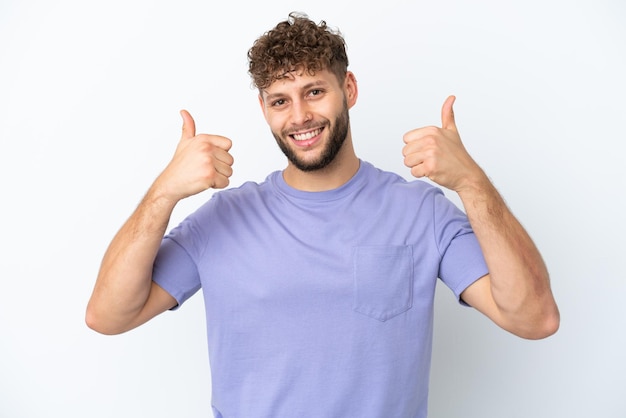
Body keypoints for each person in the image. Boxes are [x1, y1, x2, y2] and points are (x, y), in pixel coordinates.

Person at [86, 12, 559, 418]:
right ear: (264, 109)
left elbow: (534, 318)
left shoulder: (421, 213)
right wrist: (164, 192)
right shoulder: (223, 219)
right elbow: (108, 316)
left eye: (314, 91)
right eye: (280, 100)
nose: (299, 116)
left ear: (348, 88)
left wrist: (471, 182)